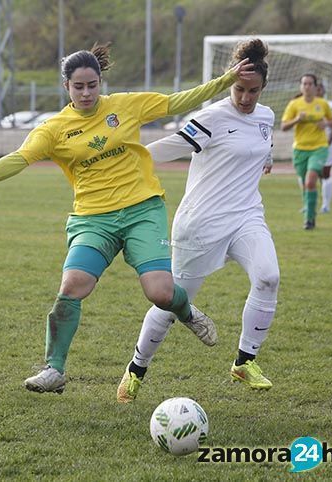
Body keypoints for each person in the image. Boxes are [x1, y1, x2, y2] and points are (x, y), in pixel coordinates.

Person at [0, 43, 255, 394]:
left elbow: (177, 101)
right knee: (72, 286)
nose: (87, 92)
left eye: (92, 85)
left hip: (142, 210)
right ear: (67, 87)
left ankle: (186, 311)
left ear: (100, 81)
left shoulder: (125, 105)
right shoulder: (54, 129)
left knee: (161, 293)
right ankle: (53, 369)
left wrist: (224, 80)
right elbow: (17, 159)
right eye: (79, 86)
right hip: (93, 219)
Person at [116, 38, 278, 402]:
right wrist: (126, 159)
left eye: (253, 91)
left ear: (263, 88)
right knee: (172, 303)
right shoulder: (213, 117)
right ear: (229, 84)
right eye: (239, 89)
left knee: (269, 277)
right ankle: (137, 368)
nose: (246, 97)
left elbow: (264, 145)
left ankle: (244, 361)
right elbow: (170, 147)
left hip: (246, 217)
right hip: (201, 224)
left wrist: (267, 159)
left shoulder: (266, 117)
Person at [281, 73, 332, 230]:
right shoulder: (294, 104)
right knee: (306, 184)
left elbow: (331, 121)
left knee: (311, 181)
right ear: (300, 86)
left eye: (310, 84)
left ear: (316, 87)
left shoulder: (322, 104)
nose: (307, 87)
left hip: (319, 147)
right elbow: (283, 127)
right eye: (304, 84)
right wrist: (297, 119)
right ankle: (309, 211)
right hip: (300, 150)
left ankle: (309, 219)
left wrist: (325, 124)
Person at [317, 81, 332, 214]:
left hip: (327, 144)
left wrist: (328, 143)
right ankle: (309, 204)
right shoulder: (307, 105)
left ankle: (326, 205)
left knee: (326, 173)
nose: (318, 91)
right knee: (312, 174)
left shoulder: (330, 105)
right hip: (311, 145)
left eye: (320, 88)